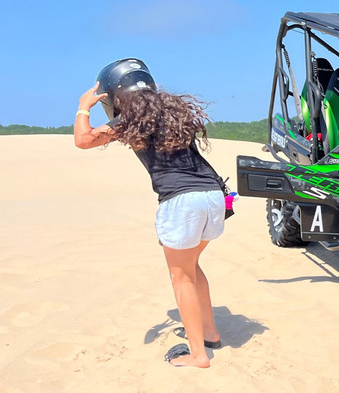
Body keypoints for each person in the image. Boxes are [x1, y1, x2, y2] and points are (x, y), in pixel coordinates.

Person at [73, 58, 228, 369]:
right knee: (192, 267)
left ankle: (198, 355)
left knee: (180, 276)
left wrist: (83, 106)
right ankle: (209, 332)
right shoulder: (173, 113)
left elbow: (83, 140)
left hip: (182, 201)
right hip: (215, 196)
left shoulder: (130, 120)